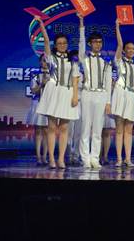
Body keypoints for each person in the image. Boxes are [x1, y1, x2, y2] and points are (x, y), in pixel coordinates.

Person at [34, 15, 80, 169]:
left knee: (64, 128)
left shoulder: (72, 60)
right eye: (59, 43)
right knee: (52, 127)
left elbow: (75, 78)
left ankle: (61, 159)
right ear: (56, 44)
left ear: (67, 44)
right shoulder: (50, 57)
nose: (62, 45)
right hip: (53, 91)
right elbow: (46, 41)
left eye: (64, 43)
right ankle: (52, 159)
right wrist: (41, 24)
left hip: (67, 92)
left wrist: (75, 95)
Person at [77, 13, 112, 169]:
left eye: (100, 42)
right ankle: (85, 158)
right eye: (95, 42)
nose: (98, 44)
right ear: (90, 43)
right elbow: (81, 44)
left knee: (98, 128)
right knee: (86, 127)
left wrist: (108, 102)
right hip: (87, 93)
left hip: (101, 95)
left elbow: (108, 84)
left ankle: (95, 158)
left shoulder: (106, 63)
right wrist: (81, 23)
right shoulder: (84, 58)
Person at [111, 19, 134, 167]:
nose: (131, 50)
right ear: (124, 50)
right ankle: (119, 158)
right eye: (128, 48)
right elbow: (119, 44)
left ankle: (128, 159)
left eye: (133, 49)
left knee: (129, 129)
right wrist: (117, 27)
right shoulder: (119, 62)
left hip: (132, 97)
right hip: (120, 93)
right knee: (119, 128)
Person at [26, 55, 50, 166]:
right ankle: (38, 157)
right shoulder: (35, 75)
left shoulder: (53, 75)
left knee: (47, 131)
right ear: (40, 62)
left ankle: (45, 156)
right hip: (38, 103)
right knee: (38, 131)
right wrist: (41, 84)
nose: (45, 63)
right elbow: (33, 90)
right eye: (43, 61)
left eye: (47, 61)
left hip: (49, 105)